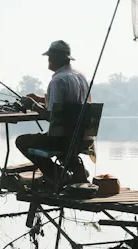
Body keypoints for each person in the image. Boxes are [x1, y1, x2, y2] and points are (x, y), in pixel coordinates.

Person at [16, 40, 93, 186]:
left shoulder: (58, 80)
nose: (48, 60)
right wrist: (40, 98)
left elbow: (52, 116)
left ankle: (57, 175)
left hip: (63, 140)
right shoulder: (80, 77)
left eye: (50, 57)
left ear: (57, 58)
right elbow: (72, 103)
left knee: (21, 141)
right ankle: (76, 170)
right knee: (54, 137)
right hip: (82, 138)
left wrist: (32, 105)